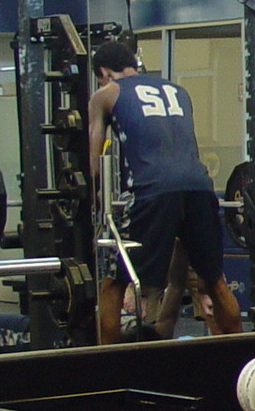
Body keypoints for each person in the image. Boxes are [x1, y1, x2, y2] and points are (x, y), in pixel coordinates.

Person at [87, 40, 242, 345]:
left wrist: (92, 205)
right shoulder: (177, 91)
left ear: (103, 71)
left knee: (113, 282)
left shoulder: (105, 94)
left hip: (153, 190)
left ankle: (106, 366)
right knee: (215, 281)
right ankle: (244, 356)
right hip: (199, 186)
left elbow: (93, 162)